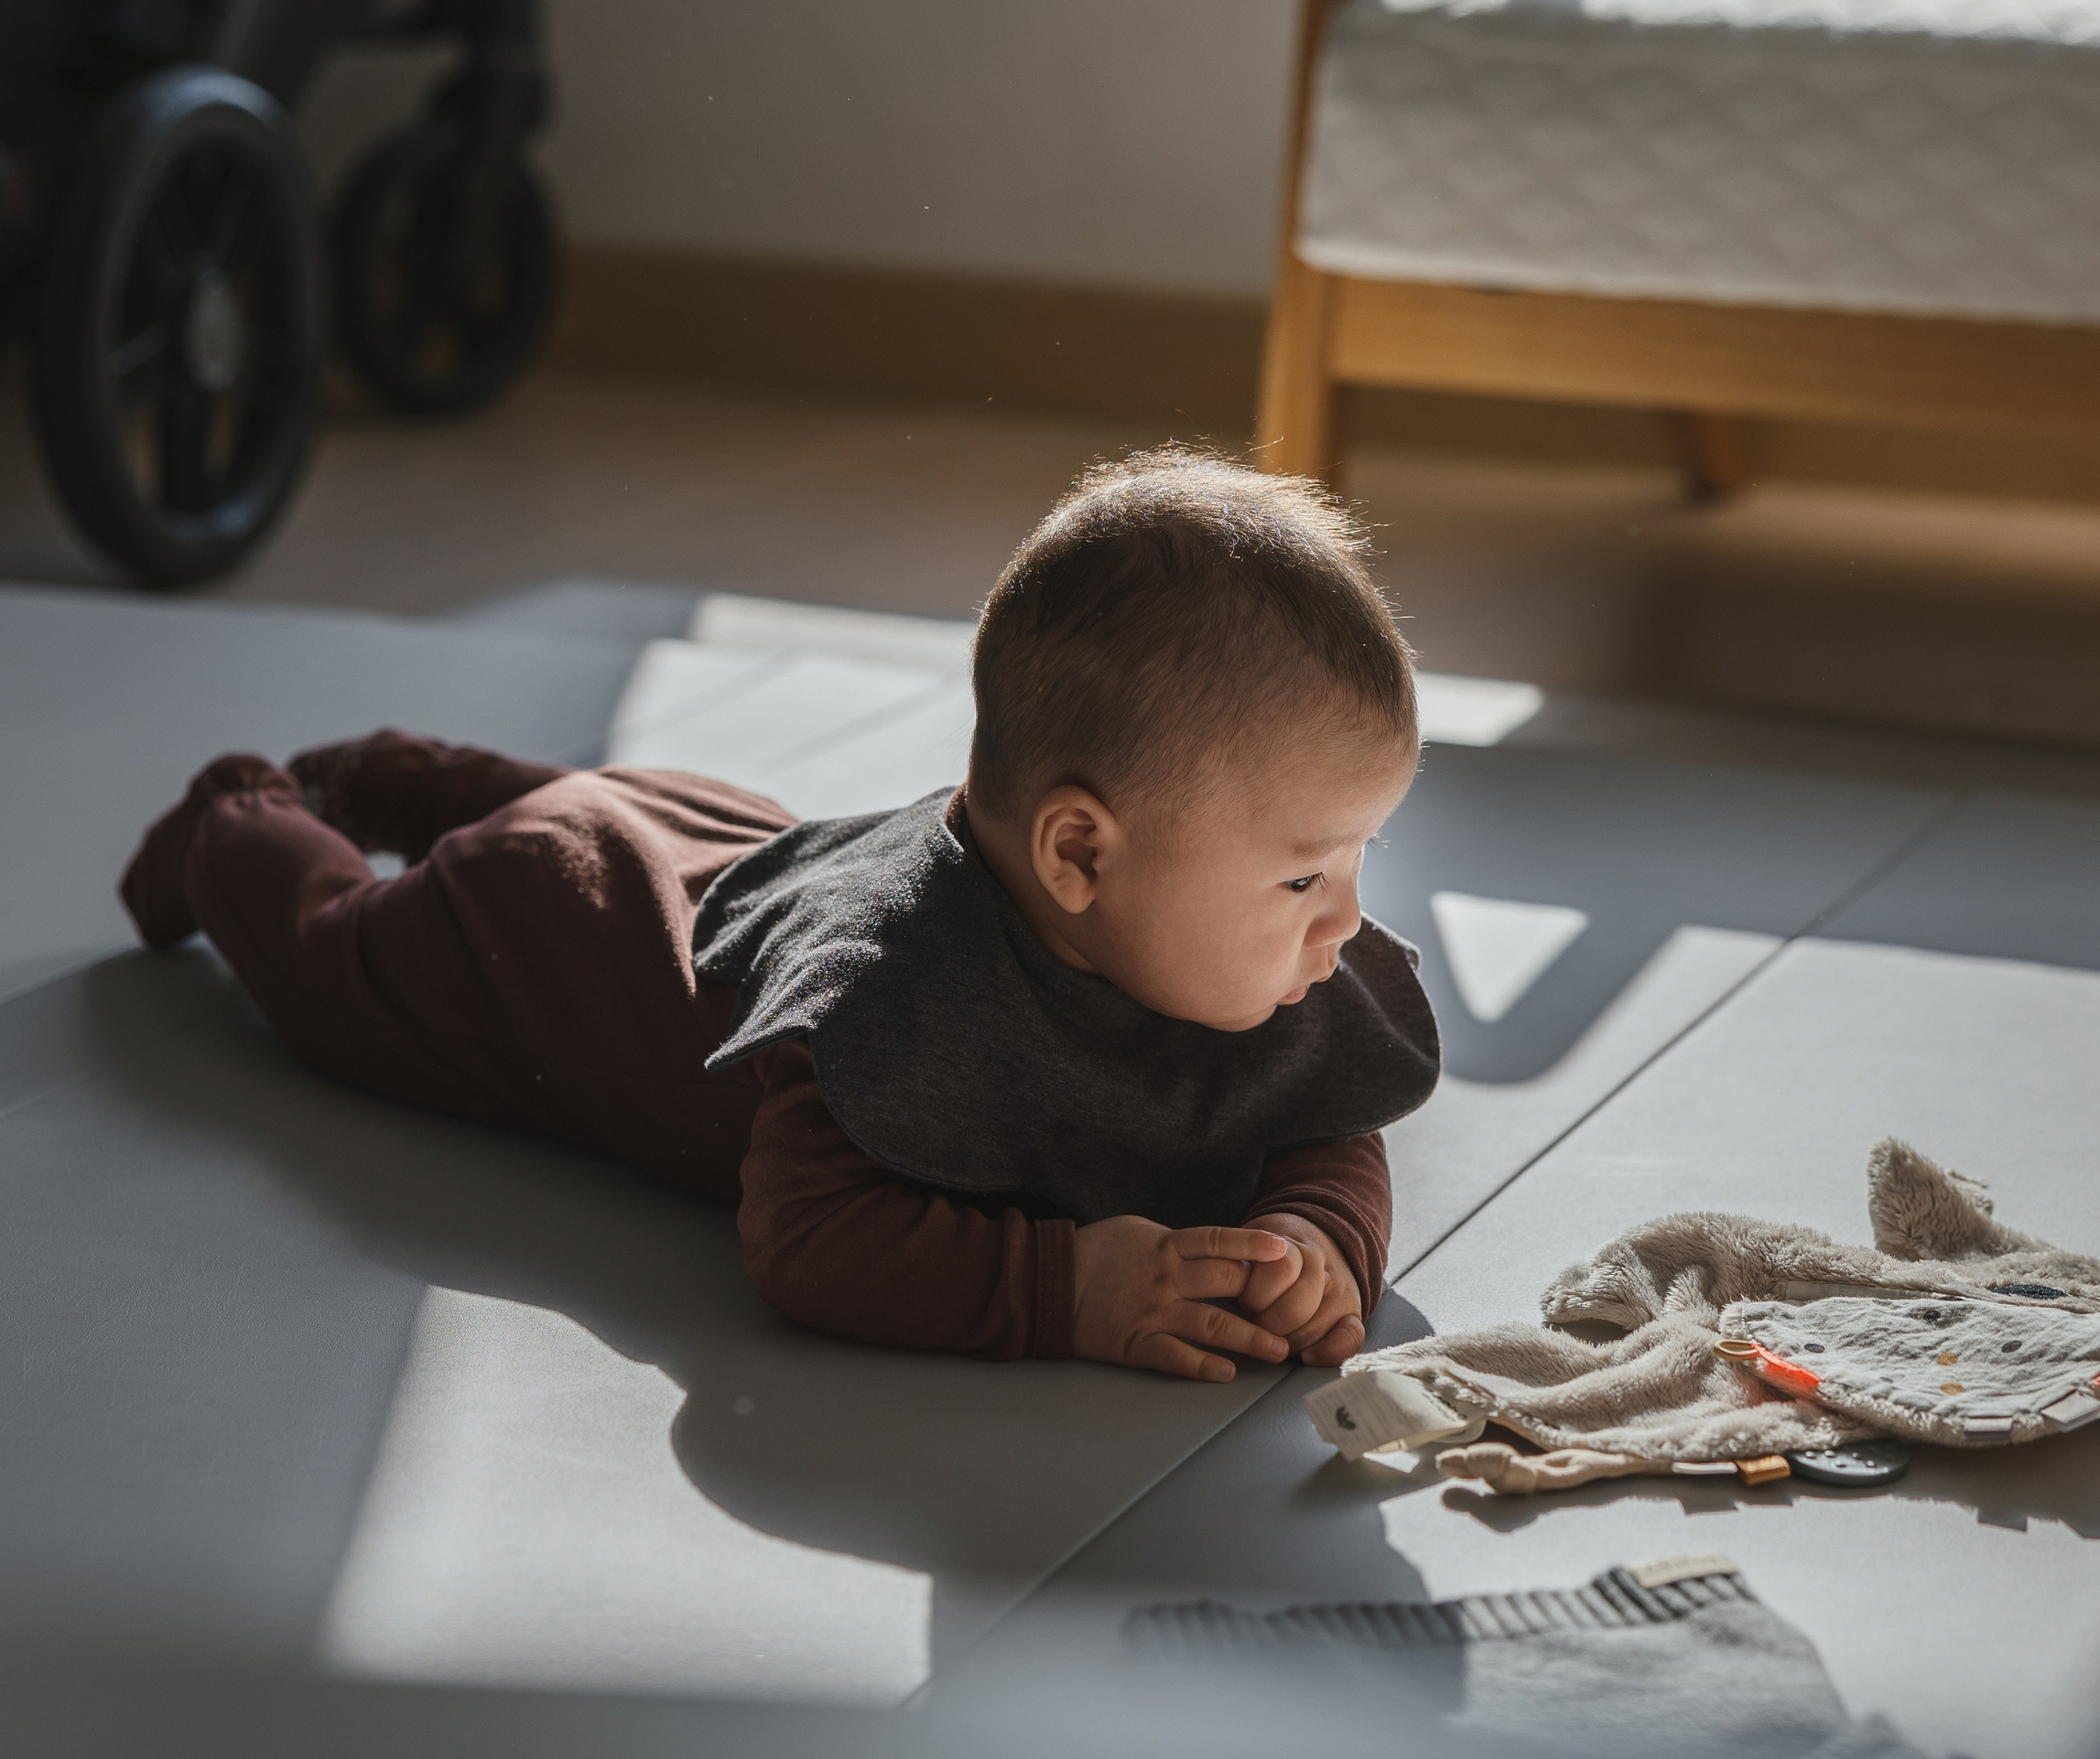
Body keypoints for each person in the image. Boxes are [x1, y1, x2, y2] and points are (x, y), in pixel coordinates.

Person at [117, 449, 1441, 1381]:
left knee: (641, 810)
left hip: (733, 840)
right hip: (554, 928)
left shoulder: (1241, 949)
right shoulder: (889, 1000)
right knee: (332, 969)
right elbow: (807, 1236)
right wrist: (1069, 1291)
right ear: (1077, 850)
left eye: (1355, 862)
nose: (1343, 923)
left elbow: (1324, 1114)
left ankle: (416, 772)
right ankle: (245, 813)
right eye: (1303, 875)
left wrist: (1316, 1236)